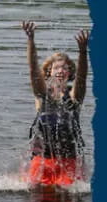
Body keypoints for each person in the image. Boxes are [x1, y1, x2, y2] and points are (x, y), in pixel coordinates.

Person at [21, 21, 89, 186]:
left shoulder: (74, 97)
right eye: (57, 68)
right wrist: (31, 40)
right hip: (42, 161)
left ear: (69, 73)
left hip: (69, 162)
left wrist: (82, 52)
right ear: (48, 72)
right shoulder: (41, 95)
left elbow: (82, 78)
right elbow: (32, 69)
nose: (60, 71)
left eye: (65, 68)